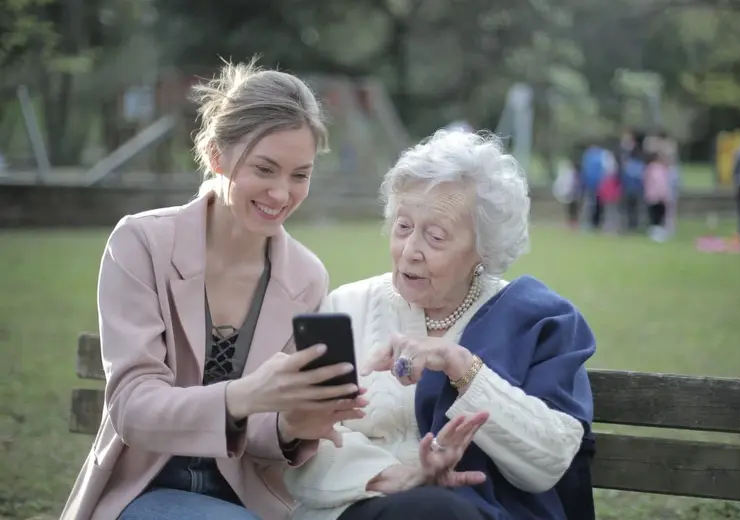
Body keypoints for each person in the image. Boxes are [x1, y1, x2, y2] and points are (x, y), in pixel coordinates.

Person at [60, 60, 368, 520]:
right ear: (215, 155)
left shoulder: (306, 276)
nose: (282, 194)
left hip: (250, 502)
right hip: (142, 492)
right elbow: (132, 407)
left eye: (299, 175)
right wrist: (243, 395)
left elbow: (262, 435)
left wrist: (292, 424)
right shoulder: (142, 243)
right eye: (265, 169)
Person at [284, 130, 597, 520]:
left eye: (435, 236)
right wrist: (396, 476)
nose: (410, 250)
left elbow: (551, 460)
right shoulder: (345, 307)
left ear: (483, 249)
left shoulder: (537, 320)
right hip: (356, 509)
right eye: (402, 227)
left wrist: (462, 367)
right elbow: (302, 440)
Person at [643, 151, 672, 242]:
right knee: (658, 215)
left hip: (652, 195)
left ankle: (655, 231)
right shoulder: (658, 169)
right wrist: (662, 193)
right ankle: (657, 233)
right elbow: (660, 183)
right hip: (658, 195)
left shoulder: (648, 169)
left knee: (654, 214)